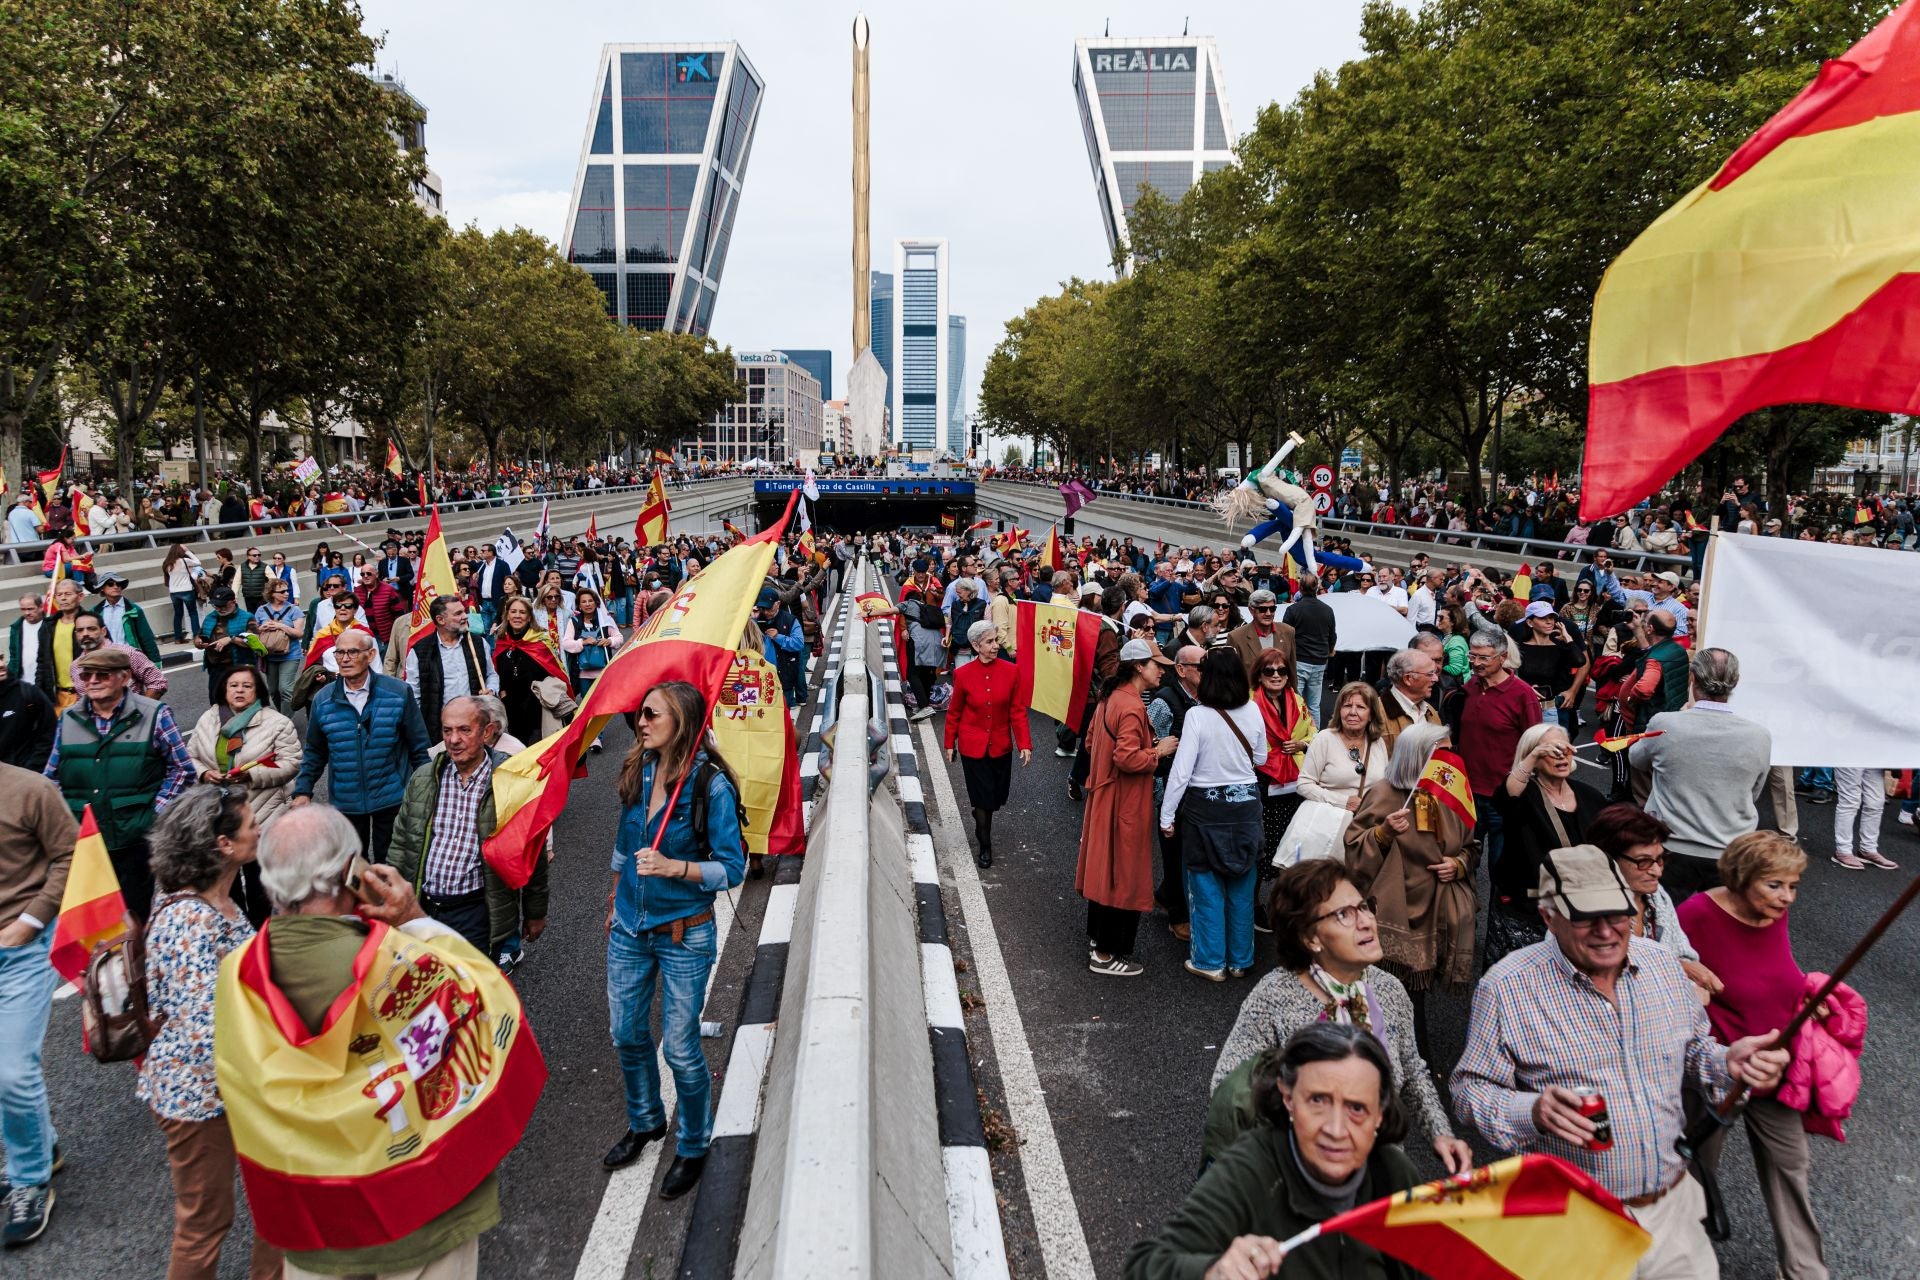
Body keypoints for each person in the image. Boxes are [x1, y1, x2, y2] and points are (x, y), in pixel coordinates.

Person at [220, 803, 534, 1279]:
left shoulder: (236, 976)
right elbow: (484, 999)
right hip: (423, 1217)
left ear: (269, 882)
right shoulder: (395, 961)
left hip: (320, 1226)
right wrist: (413, 916)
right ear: (352, 872)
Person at [1452, 844, 1791, 1280]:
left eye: (1617, 914)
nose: (1606, 931)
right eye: (1586, 918)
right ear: (1548, 917)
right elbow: (1469, 1091)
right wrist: (1532, 1111)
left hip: (1673, 1211)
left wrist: (1728, 1062)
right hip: (1575, 1222)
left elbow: (1693, 1052)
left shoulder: (1662, 963)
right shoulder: (1507, 986)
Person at [1209, 861, 1472, 1174]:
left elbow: (1413, 1070)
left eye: (1364, 907)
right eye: (1344, 914)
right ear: (1311, 938)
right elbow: (1225, 1089)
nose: (1365, 922)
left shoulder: (1388, 990)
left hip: (1375, 1176)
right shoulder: (1274, 998)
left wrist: (1441, 1133)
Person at [1121, 1024, 1424, 1280]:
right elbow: (1144, 1266)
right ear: (1288, 1097)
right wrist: (1213, 1270)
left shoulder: (1393, 1174)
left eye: (1356, 1108)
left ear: (1380, 1115)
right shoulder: (1252, 1170)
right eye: (1318, 1100)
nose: (1335, 1129)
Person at [603, 681, 746, 1199]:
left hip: (684, 934)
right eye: (639, 714)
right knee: (626, 1033)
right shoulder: (638, 770)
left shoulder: (710, 785)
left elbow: (733, 868)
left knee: (682, 1050)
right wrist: (616, 896)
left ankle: (692, 1144)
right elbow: (626, 841)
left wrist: (676, 867)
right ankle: (645, 1121)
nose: (639, 722)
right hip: (628, 928)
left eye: (650, 715)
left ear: (681, 721)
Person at [138, 787, 284, 1280]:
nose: (259, 829)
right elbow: (206, 1031)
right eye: (250, 824)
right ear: (223, 844)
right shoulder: (188, 920)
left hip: (236, 1087)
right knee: (205, 1222)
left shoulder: (216, 901)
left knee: (281, 1205)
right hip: (199, 1099)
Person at [1677, 832, 1831, 1280]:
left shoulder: (1772, 913)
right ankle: (1684, 1260)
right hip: (1717, 1067)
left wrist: (1805, 993)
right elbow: (1676, 984)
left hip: (1775, 1062)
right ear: (1743, 877)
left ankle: (1805, 1271)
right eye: (1775, 885)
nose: (1787, 898)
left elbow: (1773, 973)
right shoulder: (1697, 915)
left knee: (1791, 1166)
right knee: (1696, 1169)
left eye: (1794, 886)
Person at [1343, 722, 1474, 1058]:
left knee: (1418, 994)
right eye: (1441, 753)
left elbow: (1472, 847)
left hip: (1435, 906)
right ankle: (1396, 1061)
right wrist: (1384, 833)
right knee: (1389, 994)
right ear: (1419, 757)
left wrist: (1458, 864)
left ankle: (1412, 1059)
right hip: (1395, 908)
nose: (1450, 760)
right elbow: (1354, 849)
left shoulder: (1447, 790)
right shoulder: (1384, 793)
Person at [389, 696, 548, 961]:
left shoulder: (511, 782)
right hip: (424, 908)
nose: (453, 739)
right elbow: (402, 844)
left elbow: (533, 852)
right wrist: (393, 901)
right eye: (447, 730)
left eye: (464, 729)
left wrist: (535, 912)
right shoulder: (424, 779)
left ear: (487, 732)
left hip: (475, 911)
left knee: (473, 994)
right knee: (427, 991)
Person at [47, 646, 194, 921]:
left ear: (124, 677)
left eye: (101, 675)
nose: (92, 681)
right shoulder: (68, 718)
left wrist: (154, 814)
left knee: (133, 920)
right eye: (86, 675)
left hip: (134, 839)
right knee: (92, 922)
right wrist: (63, 821)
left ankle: (136, 962)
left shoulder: (155, 714)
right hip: (86, 840)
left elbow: (183, 770)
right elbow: (52, 778)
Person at [0, 759, 78, 1247]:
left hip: (22, 947)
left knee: (11, 1069)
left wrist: (31, 920)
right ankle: (43, 1145)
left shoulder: (31, 789)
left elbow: (73, 855)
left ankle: (28, 1179)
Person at [1628, 647, 1771, 900]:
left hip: (1672, 844)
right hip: (1730, 848)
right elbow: (1753, 792)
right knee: (1719, 929)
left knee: (1666, 923)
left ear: (1692, 678)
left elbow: (1636, 759)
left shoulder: (1665, 723)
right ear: (1735, 682)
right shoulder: (1759, 735)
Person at [1160, 647, 1267, 983]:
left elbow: (1180, 772)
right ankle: (1240, 959)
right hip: (1247, 805)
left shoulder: (1198, 715)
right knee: (1242, 883)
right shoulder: (1253, 710)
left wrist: (1167, 816)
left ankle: (1209, 961)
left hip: (1203, 809)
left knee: (1205, 885)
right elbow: (1261, 758)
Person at [1076, 638, 1179, 976]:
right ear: (1139, 666)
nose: (1161, 671)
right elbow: (1126, 757)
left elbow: (1092, 742)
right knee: (1124, 874)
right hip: (1125, 800)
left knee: (1105, 870)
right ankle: (1107, 954)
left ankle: (1098, 941)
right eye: (1156, 665)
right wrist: (1158, 751)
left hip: (1104, 796)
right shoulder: (1133, 706)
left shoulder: (1111, 697)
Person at [291, 628, 431, 862]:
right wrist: (303, 790)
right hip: (347, 800)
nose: (345, 659)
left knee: (392, 866)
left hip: (392, 797)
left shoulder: (398, 693)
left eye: (353, 652)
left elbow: (419, 747)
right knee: (353, 870)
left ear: (371, 654)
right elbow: (315, 751)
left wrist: (425, 794)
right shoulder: (323, 700)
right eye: (340, 653)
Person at [1485, 723, 1607, 967]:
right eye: (1551, 751)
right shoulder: (1524, 795)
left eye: (1565, 749)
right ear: (1533, 757)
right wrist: (1533, 757)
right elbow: (1506, 798)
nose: (1561, 755)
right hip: (1528, 910)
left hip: (1577, 907)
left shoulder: (1591, 796)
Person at [186, 666, 301, 924]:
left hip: (261, 816)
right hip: (219, 816)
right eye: (233, 685)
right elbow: (190, 756)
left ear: (257, 691)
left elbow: (291, 763)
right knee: (225, 883)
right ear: (224, 690)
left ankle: (261, 937)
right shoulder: (209, 718)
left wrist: (252, 775)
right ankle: (236, 933)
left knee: (261, 887)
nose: (239, 690)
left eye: (247, 686)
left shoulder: (277, 723)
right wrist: (205, 773)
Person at [1587, 803, 1721, 1002]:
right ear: (1608, 859)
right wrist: (1682, 976)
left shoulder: (1657, 895)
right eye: (1643, 862)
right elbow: (1605, 986)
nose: (1657, 871)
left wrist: (1689, 976)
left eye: (1660, 859)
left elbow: (1683, 953)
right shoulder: (1584, 912)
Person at [943, 620, 1032, 869]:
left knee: (997, 797)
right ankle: (985, 845)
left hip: (1001, 746)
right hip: (973, 747)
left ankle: (982, 813)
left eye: (996, 640)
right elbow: (954, 712)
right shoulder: (962, 674)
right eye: (990, 642)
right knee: (983, 800)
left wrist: (1024, 743)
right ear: (975, 645)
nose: (996, 646)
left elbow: (1017, 711)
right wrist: (950, 742)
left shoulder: (1011, 671)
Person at [1456, 629, 1540, 876]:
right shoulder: (1470, 686)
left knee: (1501, 869)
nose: (1476, 663)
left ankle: (1497, 915)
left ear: (1503, 658)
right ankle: (1465, 913)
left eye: (1484, 658)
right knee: (1462, 864)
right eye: (1473, 656)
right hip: (1467, 794)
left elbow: (1533, 745)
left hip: (1503, 797)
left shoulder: (1522, 694)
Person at [1249, 648, 1312, 922]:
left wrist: (1301, 744)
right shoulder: (1248, 703)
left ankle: (1282, 904)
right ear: (1259, 675)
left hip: (1293, 781)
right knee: (1260, 848)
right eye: (1269, 671)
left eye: (1282, 671)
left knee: (1290, 845)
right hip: (1261, 779)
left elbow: (1314, 732)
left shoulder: (1297, 701)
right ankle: (1251, 905)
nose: (1276, 676)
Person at [1146, 643, 1203, 939]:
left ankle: (1165, 895)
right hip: (1169, 786)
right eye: (1200, 666)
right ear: (1181, 670)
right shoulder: (1163, 702)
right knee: (1174, 849)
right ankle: (1178, 915)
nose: (1206, 672)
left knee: (1189, 847)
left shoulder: (1205, 698)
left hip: (1197, 787)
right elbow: (1147, 744)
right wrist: (1161, 750)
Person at [406, 597, 500, 746]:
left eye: (463, 611)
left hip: (475, 724)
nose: (465, 616)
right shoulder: (420, 651)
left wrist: (491, 690)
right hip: (439, 732)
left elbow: (491, 674)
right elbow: (414, 695)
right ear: (441, 620)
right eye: (458, 613)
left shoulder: (478, 643)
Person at [1295, 682, 1390, 816]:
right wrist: (1343, 801)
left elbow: (1384, 784)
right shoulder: (1324, 739)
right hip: (1328, 824)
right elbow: (1303, 784)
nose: (1352, 712)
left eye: (1361, 707)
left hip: (1366, 824)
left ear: (1371, 715)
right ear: (1339, 711)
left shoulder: (1377, 741)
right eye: (1347, 706)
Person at [493, 597, 568, 747]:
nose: (517, 616)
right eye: (513, 611)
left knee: (538, 752)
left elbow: (555, 672)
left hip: (537, 709)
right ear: (507, 615)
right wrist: (501, 691)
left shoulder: (540, 642)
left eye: (522, 612)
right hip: (511, 709)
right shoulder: (502, 641)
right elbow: (496, 671)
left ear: (529, 617)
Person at [69, 610, 168, 698]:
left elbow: (158, 682)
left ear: (103, 631)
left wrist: (142, 713)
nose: (85, 633)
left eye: (91, 629)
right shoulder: (75, 666)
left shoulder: (127, 653)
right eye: (80, 630)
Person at [1284, 574, 1337, 726]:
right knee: (1314, 705)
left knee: (1295, 702)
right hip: (1320, 661)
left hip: (1299, 660)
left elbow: (1285, 635)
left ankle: (1297, 736)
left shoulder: (1293, 609)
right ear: (1317, 588)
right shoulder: (1328, 610)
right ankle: (1315, 740)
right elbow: (1332, 635)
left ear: (1300, 587)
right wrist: (1329, 650)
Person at [195, 586, 258, 707]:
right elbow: (199, 636)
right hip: (215, 668)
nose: (219, 608)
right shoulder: (210, 617)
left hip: (238, 667)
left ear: (233, 601)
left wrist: (231, 639)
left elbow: (255, 642)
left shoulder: (247, 617)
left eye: (223, 605)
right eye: (216, 605)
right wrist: (198, 642)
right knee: (216, 702)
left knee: (239, 702)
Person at [249, 577, 305, 709]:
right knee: (273, 691)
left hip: (290, 655)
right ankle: (280, 715)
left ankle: (285, 720)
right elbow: (254, 633)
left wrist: (279, 626)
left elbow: (299, 633)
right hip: (269, 655)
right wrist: (262, 628)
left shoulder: (294, 610)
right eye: (282, 591)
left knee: (286, 689)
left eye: (287, 590)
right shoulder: (261, 610)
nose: (286, 593)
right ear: (272, 593)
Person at [1377, 648, 1442, 756]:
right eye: (1430, 674)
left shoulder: (1429, 711)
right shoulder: (1377, 712)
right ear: (1408, 678)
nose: (1436, 679)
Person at [1830, 765, 1896, 871]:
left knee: (1876, 802)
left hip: (1874, 753)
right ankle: (1843, 850)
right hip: (1849, 752)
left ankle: (1868, 849)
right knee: (1849, 801)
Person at [1224, 588, 1295, 681]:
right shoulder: (1236, 637)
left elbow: (1292, 669)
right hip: (1250, 694)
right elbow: (1231, 675)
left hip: (1282, 694)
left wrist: (1293, 694)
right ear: (1251, 610)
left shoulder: (1288, 631)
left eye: (1272, 609)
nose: (1268, 613)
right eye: (1263, 609)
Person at [91, 570, 162, 663]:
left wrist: (156, 662)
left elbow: (146, 638)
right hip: (106, 661)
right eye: (110, 584)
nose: (116, 586)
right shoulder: (95, 612)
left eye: (119, 584)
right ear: (102, 588)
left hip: (130, 660)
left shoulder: (134, 610)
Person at [0, 658, 56, 772]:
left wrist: (32, 768)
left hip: (26, 779)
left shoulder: (28, 693)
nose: (1, 664)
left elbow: (50, 732)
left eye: (1, 658)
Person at [163, 544, 204, 644]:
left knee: (178, 614)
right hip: (186, 590)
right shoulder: (184, 561)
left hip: (174, 592)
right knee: (193, 613)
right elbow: (198, 562)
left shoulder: (167, 563)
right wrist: (188, 551)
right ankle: (196, 636)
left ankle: (178, 638)